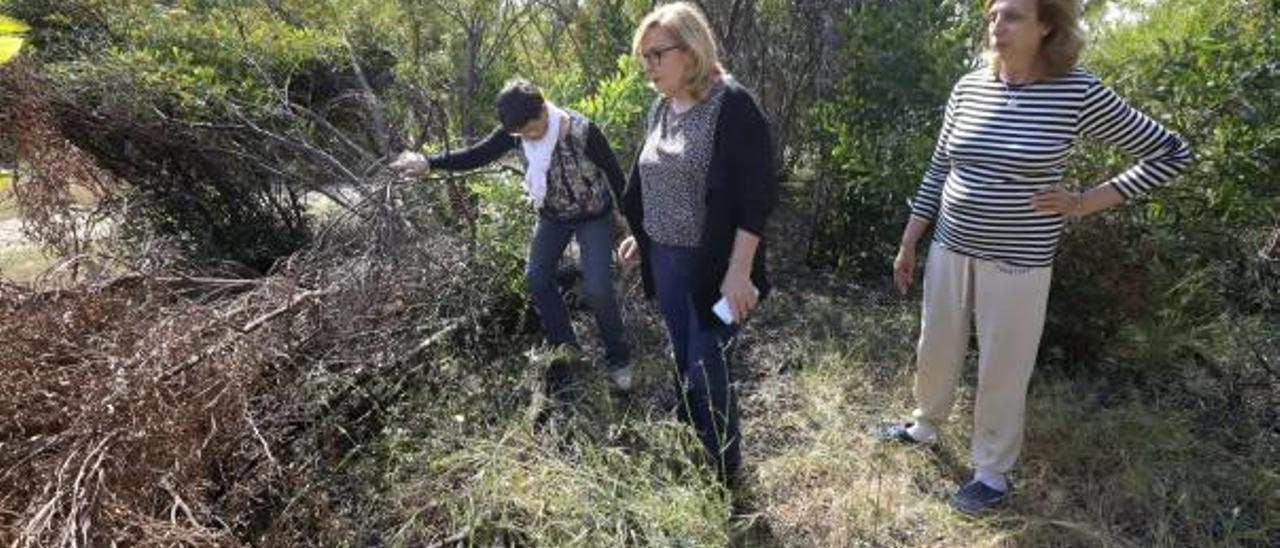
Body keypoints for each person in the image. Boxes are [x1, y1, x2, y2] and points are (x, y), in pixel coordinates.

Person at [880, 0, 1191, 514]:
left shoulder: (1076, 90)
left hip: (1019, 257)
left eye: (1013, 16)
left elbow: (1169, 152)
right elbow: (939, 169)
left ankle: (991, 473)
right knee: (935, 341)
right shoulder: (969, 87)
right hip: (950, 245)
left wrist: (1084, 203)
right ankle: (924, 426)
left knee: (1005, 362)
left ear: (1048, 26)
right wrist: (910, 240)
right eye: (994, 15)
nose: (997, 26)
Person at [617, 1, 778, 484]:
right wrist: (640, 238)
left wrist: (739, 270)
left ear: (690, 52)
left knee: (705, 363)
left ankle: (726, 471)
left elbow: (755, 196)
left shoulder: (731, 104)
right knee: (681, 353)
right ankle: (692, 446)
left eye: (656, 55)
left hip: (714, 263)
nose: (648, 67)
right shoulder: (660, 107)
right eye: (643, 58)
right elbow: (649, 179)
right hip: (664, 259)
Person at [391, 78, 634, 391]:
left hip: (593, 217)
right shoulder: (516, 132)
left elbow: (616, 176)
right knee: (536, 278)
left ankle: (619, 357)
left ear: (543, 108)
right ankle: (567, 351)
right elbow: (477, 154)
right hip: (552, 217)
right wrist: (429, 162)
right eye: (520, 134)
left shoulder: (581, 131)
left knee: (599, 286)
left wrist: (632, 226)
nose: (528, 137)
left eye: (532, 129)